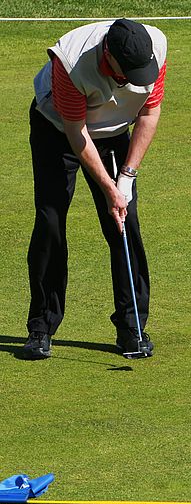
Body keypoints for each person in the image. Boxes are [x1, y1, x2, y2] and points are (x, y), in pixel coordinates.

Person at [21, 18, 167, 360]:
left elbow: (149, 112)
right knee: (50, 221)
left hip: (114, 133)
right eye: (127, 70)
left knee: (123, 222)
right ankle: (41, 327)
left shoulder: (155, 48)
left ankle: (132, 328)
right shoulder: (71, 62)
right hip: (58, 129)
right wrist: (108, 187)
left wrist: (126, 179)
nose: (136, 75)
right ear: (109, 55)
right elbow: (77, 134)